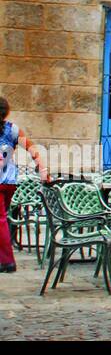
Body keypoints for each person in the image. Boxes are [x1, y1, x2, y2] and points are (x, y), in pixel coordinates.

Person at [0, 95, 48, 273]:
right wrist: (43, 171)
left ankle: (7, 261)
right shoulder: (13, 130)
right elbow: (33, 150)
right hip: (10, 182)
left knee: (1, 221)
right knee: (2, 218)